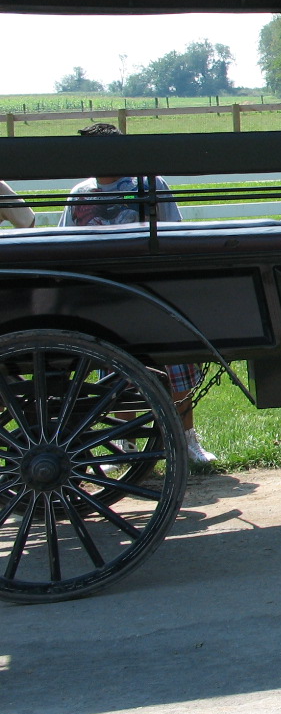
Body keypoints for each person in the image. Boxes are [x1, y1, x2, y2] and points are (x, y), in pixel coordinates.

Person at [62, 122, 216, 468]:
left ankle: (187, 438)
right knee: (117, 376)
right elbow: (66, 242)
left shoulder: (149, 185)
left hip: (151, 290)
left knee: (177, 370)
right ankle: (127, 444)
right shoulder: (79, 193)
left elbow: (173, 231)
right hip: (104, 297)